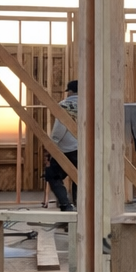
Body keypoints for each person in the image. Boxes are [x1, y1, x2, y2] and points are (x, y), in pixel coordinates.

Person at [43, 79, 79, 211]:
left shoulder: (64, 105)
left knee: (52, 175)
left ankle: (66, 205)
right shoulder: (92, 104)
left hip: (66, 148)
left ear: (70, 91)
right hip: (85, 150)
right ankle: (81, 207)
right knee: (80, 178)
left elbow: (59, 128)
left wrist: (52, 146)